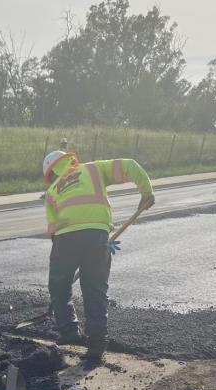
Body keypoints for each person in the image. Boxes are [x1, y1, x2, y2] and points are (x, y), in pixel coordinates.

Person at [42, 150, 154, 361]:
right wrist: (146, 192)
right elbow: (130, 164)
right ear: (71, 160)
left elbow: (53, 231)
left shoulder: (51, 192)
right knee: (94, 289)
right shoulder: (93, 169)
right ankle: (96, 345)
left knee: (58, 285)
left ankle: (68, 330)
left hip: (64, 241)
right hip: (96, 236)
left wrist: (64, 262)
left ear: (50, 174)